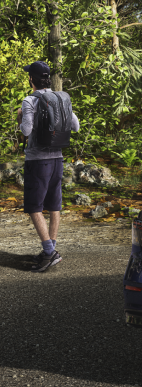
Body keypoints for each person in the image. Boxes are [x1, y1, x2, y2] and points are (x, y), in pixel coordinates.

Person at [15, 61, 80, 272]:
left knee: (34, 207)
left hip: (37, 160)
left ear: (31, 79)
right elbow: (75, 126)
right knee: (54, 205)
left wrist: (20, 117)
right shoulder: (60, 98)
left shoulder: (29, 100)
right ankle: (50, 250)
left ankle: (49, 251)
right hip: (57, 159)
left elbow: (26, 131)